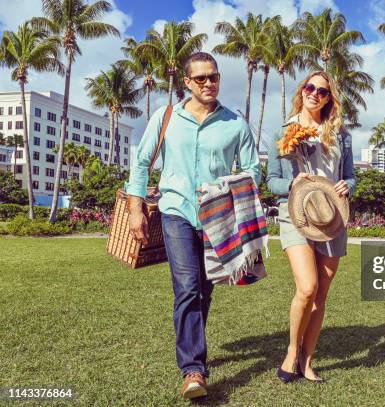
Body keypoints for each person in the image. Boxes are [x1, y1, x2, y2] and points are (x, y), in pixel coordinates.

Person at [125, 52, 260, 399]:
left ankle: (193, 347)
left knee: (205, 288)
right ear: (186, 82)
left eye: (212, 77)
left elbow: (253, 170)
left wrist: (225, 187)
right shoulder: (166, 117)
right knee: (186, 286)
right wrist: (135, 207)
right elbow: (141, 163)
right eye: (199, 78)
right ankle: (193, 370)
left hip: (218, 218)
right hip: (176, 210)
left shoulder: (235, 123)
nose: (208, 83)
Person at [267, 71, 356, 383]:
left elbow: (351, 175)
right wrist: (292, 181)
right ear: (301, 90)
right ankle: (292, 351)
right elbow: (271, 181)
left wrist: (349, 186)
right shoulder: (284, 130)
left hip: (331, 216)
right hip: (295, 214)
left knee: (321, 295)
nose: (315, 93)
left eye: (322, 91)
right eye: (310, 87)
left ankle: (307, 361)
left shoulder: (340, 134)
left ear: (329, 98)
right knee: (307, 287)